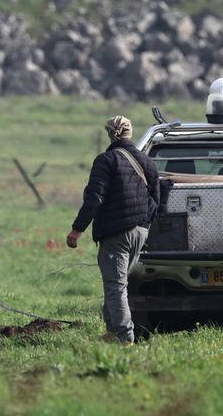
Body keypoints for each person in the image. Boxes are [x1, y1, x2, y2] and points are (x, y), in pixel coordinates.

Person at [67, 116, 161, 344]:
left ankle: (123, 336)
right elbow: (156, 199)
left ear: (110, 134)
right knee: (118, 283)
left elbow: (95, 198)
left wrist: (77, 230)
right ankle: (111, 331)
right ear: (130, 133)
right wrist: (143, 223)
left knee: (115, 286)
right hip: (140, 231)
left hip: (116, 233)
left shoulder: (106, 160)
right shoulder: (147, 161)